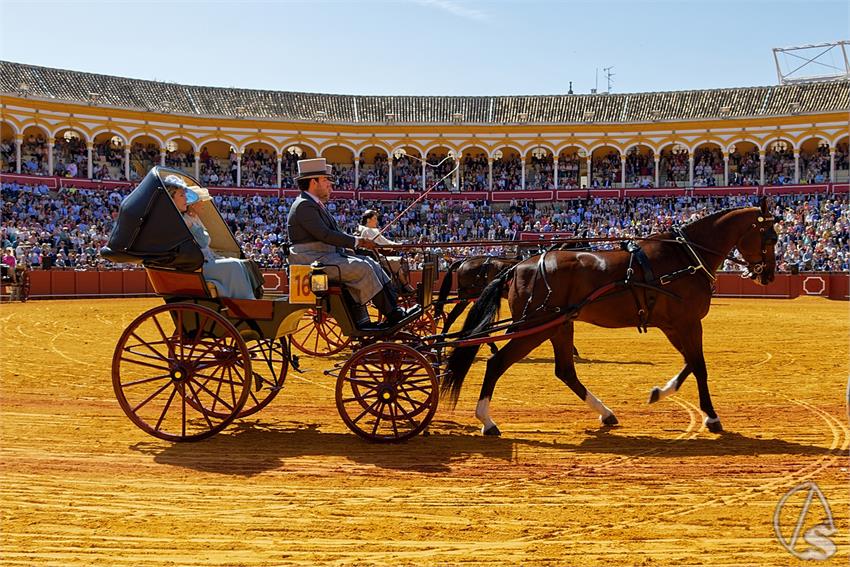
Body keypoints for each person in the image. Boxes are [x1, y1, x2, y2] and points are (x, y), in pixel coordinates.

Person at [286, 158, 417, 327]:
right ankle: (392, 314)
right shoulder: (304, 205)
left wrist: (358, 244)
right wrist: (358, 241)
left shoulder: (313, 204)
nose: (329, 185)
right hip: (313, 260)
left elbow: (333, 234)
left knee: (370, 262)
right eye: (325, 180)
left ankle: (394, 310)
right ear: (313, 182)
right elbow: (325, 234)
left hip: (324, 256)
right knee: (363, 267)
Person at [164, 176, 256, 300]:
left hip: (198, 264)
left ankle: (246, 300)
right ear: (171, 198)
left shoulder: (185, 219)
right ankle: (246, 302)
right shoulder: (181, 220)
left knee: (239, 264)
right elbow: (203, 242)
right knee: (234, 265)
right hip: (194, 269)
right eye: (181, 195)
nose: (186, 198)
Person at [356, 209, 414, 294]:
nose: (376, 221)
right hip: (375, 259)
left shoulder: (367, 230)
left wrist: (398, 246)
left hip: (375, 258)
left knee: (402, 261)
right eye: (375, 218)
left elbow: (385, 243)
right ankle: (404, 287)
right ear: (368, 220)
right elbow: (384, 244)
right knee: (401, 261)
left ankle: (402, 287)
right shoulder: (368, 230)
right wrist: (399, 246)